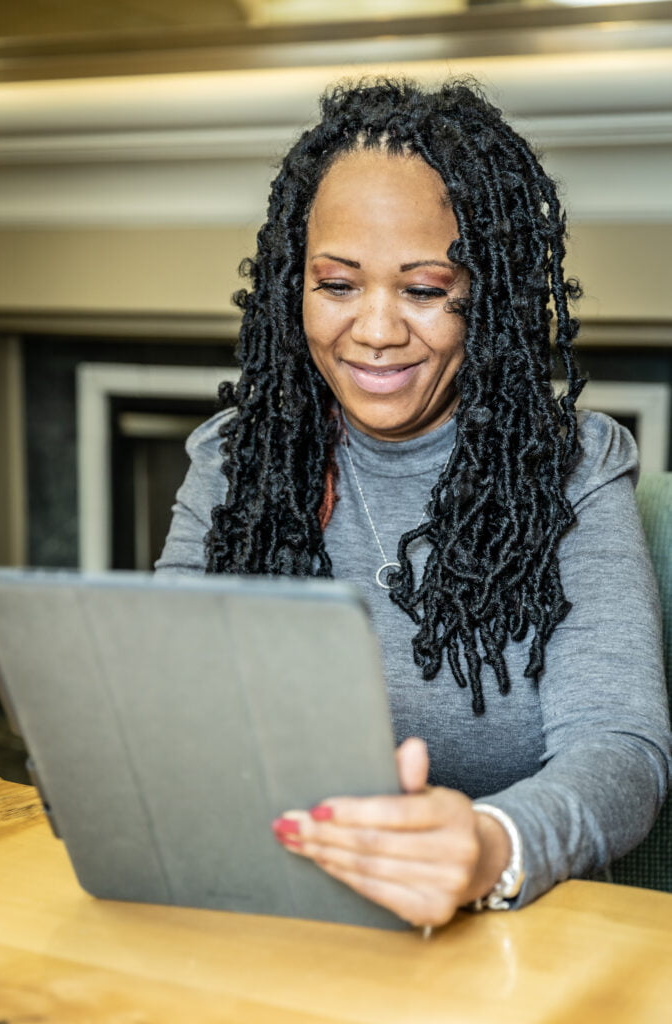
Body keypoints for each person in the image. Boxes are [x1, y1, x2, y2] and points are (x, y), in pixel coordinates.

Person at [156, 78, 671, 930]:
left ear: (488, 297)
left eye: (425, 290)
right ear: (293, 285)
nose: (374, 331)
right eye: (336, 285)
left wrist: (489, 847)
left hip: (507, 932)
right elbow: (157, 699)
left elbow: (621, 752)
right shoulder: (236, 462)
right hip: (276, 910)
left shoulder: (572, 469)